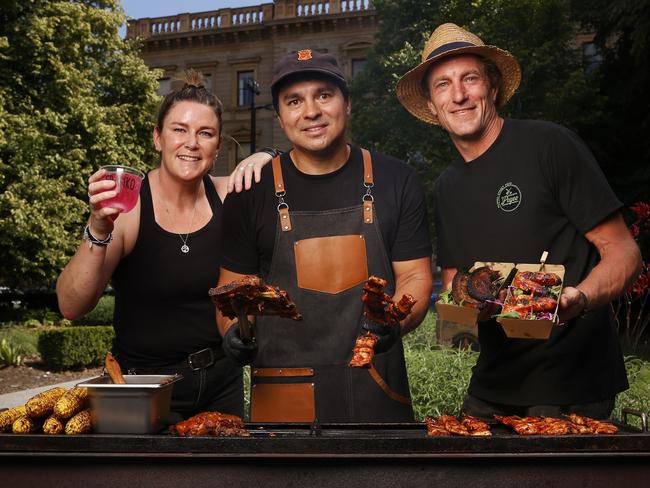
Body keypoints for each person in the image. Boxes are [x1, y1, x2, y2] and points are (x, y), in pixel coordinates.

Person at [396, 23, 642, 419]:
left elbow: (625, 252)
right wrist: (458, 314)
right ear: (430, 104)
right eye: (442, 84)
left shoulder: (550, 145)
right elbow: (457, 299)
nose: (458, 95)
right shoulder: (446, 186)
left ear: (492, 86)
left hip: (571, 384)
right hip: (492, 385)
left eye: (469, 78)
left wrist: (578, 298)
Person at [216, 50, 433, 423]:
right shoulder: (250, 192)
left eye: (324, 95)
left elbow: (415, 276)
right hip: (282, 400)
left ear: (346, 104)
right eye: (294, 101)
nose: (311, 111)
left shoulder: (397, 180)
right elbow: (231, 289)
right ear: (281, 117)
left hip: (376, 391)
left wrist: (392, 322)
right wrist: (234, 331)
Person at [56, 70, 267, 420]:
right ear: (158, 138)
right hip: (143, 389)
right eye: (179, 130)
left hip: (220, 384)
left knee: (226, 477)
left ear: (218, 147)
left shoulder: (230, 195)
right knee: (150, 477)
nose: (192, 143)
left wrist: (267, 156)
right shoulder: (130, 208)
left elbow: (292, 177)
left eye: (205, 133)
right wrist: (97, 227)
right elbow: (71, 305)